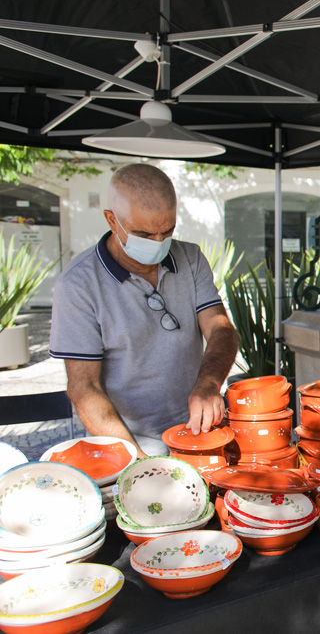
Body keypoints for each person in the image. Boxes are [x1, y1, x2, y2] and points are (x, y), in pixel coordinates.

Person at [50, 164, 237, 457]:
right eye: (144, 234)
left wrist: (208, 384)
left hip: (196, 431)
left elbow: (220, 328)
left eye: (168, 230)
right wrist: (138, 462)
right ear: (112, 220)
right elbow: (84, 388)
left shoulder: (189, 258)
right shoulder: (78, 285)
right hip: (125, 441)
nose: (158, 243)